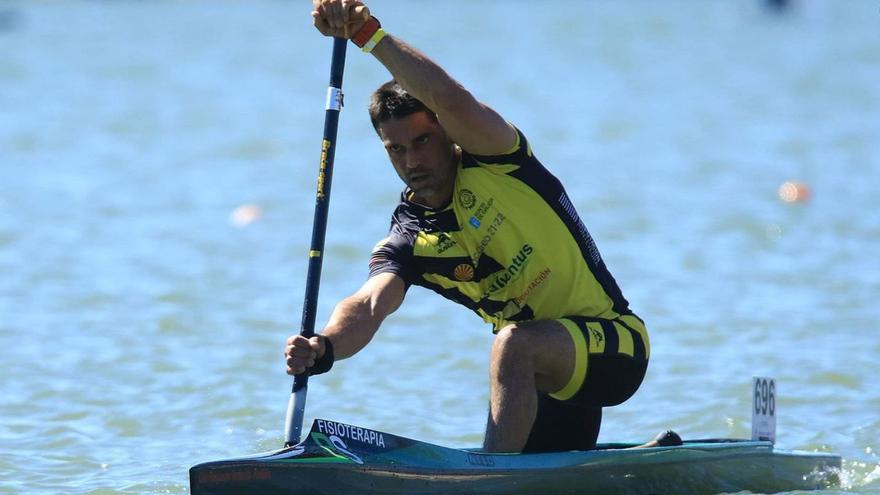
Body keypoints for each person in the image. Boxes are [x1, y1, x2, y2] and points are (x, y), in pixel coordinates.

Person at [285, 0, 649, 454]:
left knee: (512, 344)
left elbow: (450, 98)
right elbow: (368, 305)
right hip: (545, 386)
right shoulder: (408, 238)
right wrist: (323, 348)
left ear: (446, 132)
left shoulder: (495, 157)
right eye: (396, 150)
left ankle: (489, 479)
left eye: (423, 141)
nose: (413, 160)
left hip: (616, 347)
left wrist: (368, 35)